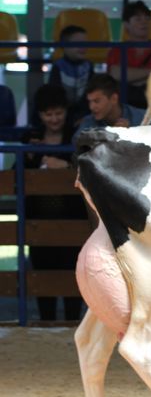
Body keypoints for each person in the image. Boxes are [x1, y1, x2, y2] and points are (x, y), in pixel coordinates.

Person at [22, 84, 87, 321]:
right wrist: (30, 158)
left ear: (66, 111)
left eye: (58, 113)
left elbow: (89, 169)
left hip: (72, 219)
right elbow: (18, 175)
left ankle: (72, 320)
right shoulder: (31, 139)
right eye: (48, 114)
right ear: (40, 115)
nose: (54, 119)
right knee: (43, 272)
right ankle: (45, 319)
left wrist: (66, 168)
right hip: (39, 221)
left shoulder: (77, 137)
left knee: (73, 272)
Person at [106, 0, 151, 122]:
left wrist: (129, 76)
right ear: (126, 24)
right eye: (138, 19)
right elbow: (116, 74)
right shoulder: (117, 50)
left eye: (147, 18)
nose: (144, 22)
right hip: (125, 108)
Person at [73, 74, 151, 139]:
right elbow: (78, 142)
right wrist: (110, 135)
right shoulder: (88, 121)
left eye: (96, 101)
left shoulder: (143, 118)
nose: (91, 107)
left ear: (114, 98)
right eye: (89, 101)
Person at [49, 25, 93, 124]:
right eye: (77, 43)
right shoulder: (58, 67)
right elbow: (55, 97)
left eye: (85, 43)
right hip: (62, 120)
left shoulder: (89, 66)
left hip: (85, 117)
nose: (83, 47)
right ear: (64, 45)